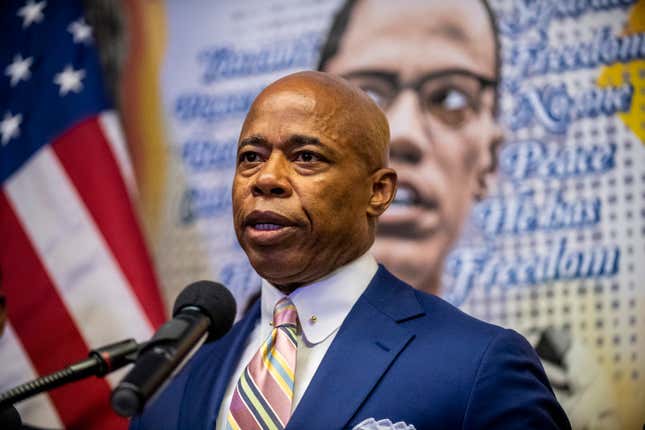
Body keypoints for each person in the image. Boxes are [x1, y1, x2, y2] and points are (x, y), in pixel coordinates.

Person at [131, 71, 569, 429]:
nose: (265, 178)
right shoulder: (167, 384)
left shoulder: (478, 366)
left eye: (305, 157)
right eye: (250, 156)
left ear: (378, 192)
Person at [319, 0, 502, 295]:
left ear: (489, 161)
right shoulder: (242, 340)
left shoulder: (500, 344)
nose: (402, 134)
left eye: (449, 98)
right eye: (364, 95)